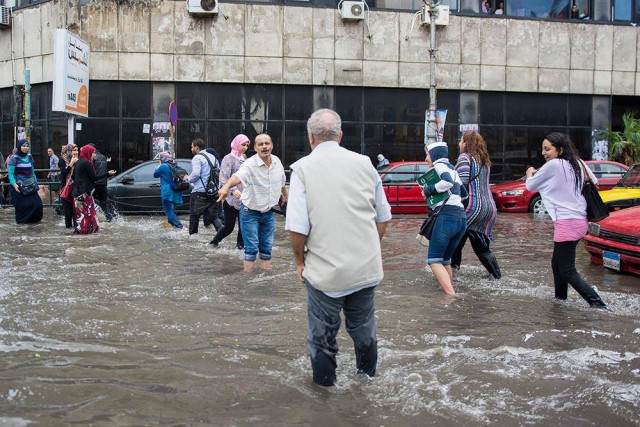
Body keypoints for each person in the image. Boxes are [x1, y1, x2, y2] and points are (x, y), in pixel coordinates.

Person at [285, 108, 392, 387]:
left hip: (325, 274)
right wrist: (368, 246)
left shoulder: (302, 169)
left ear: (310, 137)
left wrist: (299, 262)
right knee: (365, 332)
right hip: (364, 269)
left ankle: (325, 392)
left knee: (322, 338)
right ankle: (367, 382)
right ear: (340, 135)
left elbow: (297, 229)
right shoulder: (365, 164)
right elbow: (383, 217)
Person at [525, 132, 607, 308]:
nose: (543, 153)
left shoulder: (554, 164)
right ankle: (560, 301)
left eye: (547, 149)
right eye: (542, 149)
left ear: (560, 149)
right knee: (557, 265)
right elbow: (595, 182)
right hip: (579, 221)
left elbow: (530, 185)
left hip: (567, 223)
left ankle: (599, 305)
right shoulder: (578, 162)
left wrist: (529, 173)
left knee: (567, 269)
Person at [216, 133, 288, 272]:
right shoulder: (249, 163)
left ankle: (264, 279)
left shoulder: (277, 162)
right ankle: (247, 283)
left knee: (267, 247)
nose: (264, 146)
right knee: (251, 248)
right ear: (255, 148)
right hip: (250, 212)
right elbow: (237, 176)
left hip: (268, 212)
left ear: (272, 146)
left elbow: (282, 180)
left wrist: (285, 195)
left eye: (267, 143)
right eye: (260, 144)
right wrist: (226, 187)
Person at [452, 131, 501, 279]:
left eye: (461, 141)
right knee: (482, 248)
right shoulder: (484, 161)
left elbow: (460, 184)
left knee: (454, 244)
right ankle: (496, 277)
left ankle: (452, 276)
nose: (459, 144)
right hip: (489, 209)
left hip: (471, 208)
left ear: (466, 143)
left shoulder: (465, 158)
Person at [421, 141, 467, 295]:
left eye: (427, 154)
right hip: (461, 219)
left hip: (446, 217)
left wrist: (429, 190)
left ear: (435, 155)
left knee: (434, 260)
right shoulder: (453, 169)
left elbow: (446, 182)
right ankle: (449, 292)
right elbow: (464, 194)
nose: (426, 159)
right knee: (445, 260)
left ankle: (451, 296)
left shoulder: (439, 166)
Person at [210, 134, 249, 249]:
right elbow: (223, 178)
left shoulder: (245, 158)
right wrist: (233, 190)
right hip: (231, 199)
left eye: (247, 145)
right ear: (236, 144)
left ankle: (240, 247)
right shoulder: (228, 158)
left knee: (243, 225)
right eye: (243, 145)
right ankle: (214, 241)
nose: (245, 147)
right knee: (229, 226)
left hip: (244, 197)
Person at [184, 138, 222, 235]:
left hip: (199, 192)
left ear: (196, 148)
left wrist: (187, 179)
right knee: (213, 216)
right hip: (213, 191)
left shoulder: (197, 158)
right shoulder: (213, 157)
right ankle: (222, 233)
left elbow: (196, 174)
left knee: (194, 215)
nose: (191, 149)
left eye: (192, 147)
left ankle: (193, 238)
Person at [7, 139, 43, 224]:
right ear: (19, 147)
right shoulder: (14, 158)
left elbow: (32, 172)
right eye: (23, 146)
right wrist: (14, 184)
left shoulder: (29, 156)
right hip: (19, 187)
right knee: (24, 206)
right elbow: (10, 173)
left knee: (37, 205)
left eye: (27, 146)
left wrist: (36, 184)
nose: (25, 148)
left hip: (30, 186)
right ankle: (22, 223)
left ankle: (33, 222)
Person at [72, 144, 100, 234]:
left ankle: (80, 230)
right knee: (87, 212)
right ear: (88, 152)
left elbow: (73, 176)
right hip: (85, 192)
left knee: (80, 213)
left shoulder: (78, 162)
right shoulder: (87, 163)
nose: (94, 155)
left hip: (77, 192)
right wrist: (107, 174)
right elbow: (94, 177)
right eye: (93, 153)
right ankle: (88, 230)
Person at [153, 152, 183, 229]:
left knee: (169, 211)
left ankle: (180, 227)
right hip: (176, 192)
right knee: (172, 211)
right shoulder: (175, 165)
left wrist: (159, 165)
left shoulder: (163, 166)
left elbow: (155, 174)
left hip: (168, 193)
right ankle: (171, 227)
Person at [90, 144, 117, 221]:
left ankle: (92, 218)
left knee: (90, 201)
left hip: (95, 183)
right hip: (103, 182)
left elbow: (92, 171)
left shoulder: (93, 158)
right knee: (103, 202)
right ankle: (109, 217)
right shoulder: (103, 156)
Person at [59, 143, 78, 229]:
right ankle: (68, 230)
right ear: (68, 151)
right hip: (66, 188)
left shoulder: (77, 160)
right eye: (74, 150)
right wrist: (71, 164)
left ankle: (76, 229)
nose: (76, 152)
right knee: (68, 211)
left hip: (75, 188)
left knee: (76, 210)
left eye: (77, 150)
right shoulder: (62, 160)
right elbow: (63, 174)